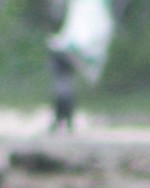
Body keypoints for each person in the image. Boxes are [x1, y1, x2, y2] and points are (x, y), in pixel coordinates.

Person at [47, 0, 115, 133]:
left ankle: (62, 122)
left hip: (63, 54)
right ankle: (65, 122)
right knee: (64, 89)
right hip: (64, 54)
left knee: (63, 90)